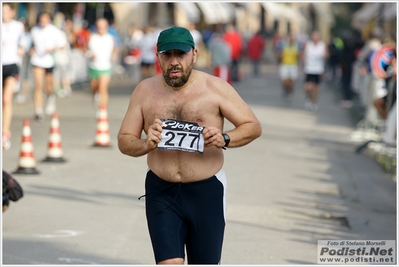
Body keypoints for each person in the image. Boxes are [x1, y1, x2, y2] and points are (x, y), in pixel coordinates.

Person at [117, 26, 262, 265]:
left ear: (194, 54)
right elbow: (124, 140)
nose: (174, 61)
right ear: (158, 56)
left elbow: (252, 126)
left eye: (180, 54)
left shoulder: (215, 88)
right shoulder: (144, 91)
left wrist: (225, 139)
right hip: (161, 191)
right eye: (167, 54)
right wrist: (146, 144)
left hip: (206, 192)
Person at [30, 12, 64, 121]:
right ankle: (38, 110)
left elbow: (63, 45)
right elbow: (30, 44)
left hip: (49, 61)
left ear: (49, 20)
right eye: (41, 19)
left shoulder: (55, 31)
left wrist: (53, 49)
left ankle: (50, 96)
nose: (43, 21)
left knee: (47, 87)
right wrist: (31, 49)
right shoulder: (34, 30)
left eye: (46, 19)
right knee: (38, 85)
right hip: (37, 60)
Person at [2, 3, 25, 150]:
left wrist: (22, 49)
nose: (3, 14)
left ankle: (5, 132)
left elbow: (23, 42)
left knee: (6, 99)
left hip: (11, 64)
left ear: (12, 12)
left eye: (5, 11)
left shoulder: (18, 26)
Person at [86, 18, 117, 111]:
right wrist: (90, 54)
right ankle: (95, 95)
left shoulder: (111, 38)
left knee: (103, 88)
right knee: (94, 88)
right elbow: (84, 49)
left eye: (103, 27)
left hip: (105, 66)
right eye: (99, 27)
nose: (101, 29)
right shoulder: (91, 37)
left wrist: (114, 54)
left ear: (107, 27)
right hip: (94, 66)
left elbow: (116, 48)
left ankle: (102, 109)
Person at [301, 31, 328, 111]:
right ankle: (308, 98)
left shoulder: (322, 45)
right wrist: (304, 59)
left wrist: (325, 56)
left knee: (316, 88)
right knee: (308, 87)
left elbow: (326, 56)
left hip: (318, 69)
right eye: (314, 36)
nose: (315, 37)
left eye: (317, 36)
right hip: (309, 68)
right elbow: (302, 54)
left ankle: (314, 102)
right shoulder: (308, 45)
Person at [276, 33, 302, 98]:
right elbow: (278, 53)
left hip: (293, 65)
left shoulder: (297, 45)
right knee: (285, 81)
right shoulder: (283, 45)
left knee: (291, 81)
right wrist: (280, 57)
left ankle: (290, 92)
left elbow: (300, 55)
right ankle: (285, 89)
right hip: (285, 64)